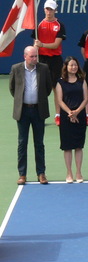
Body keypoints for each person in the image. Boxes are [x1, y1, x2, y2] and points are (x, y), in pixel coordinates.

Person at [9, 46, 53, 185]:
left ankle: (41, 173)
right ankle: (22, 174)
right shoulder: (16, 69)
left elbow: (48, 88)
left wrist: (37, 101)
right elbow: (12, 89)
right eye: (32, 56)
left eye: (36, 56)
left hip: (38, 111)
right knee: (22, 143)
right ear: (25, 56)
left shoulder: (43, 68)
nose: (35, 59)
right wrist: (22, 102)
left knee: (39, 143)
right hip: (23, 112)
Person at [54, 56, 88, 183]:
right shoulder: (60, 82)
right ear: (66, 67)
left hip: (80, 115)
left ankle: (79, 173)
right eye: (71, 65)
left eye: (75, 65)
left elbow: (86, 99)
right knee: (67, 147)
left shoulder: (82, 81)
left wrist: (77, 112)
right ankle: (69, 173)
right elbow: (59, 100)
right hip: (66, 117)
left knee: (78, 146)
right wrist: (70, 112)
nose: (73, 67)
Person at [33, 0, 65, 119]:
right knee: (40, 89)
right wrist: (33, 54)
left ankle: (58, 115)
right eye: (47, 9)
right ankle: (40, 115)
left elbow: (56, 44)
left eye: (51, 9)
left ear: (55, 10)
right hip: (42, 60)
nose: (49, 11)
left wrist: (42, 45)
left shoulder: (60, 26)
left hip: (55, 60)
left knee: (57, 88)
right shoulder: (39, 25)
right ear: (44, 9)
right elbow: (34, 43)